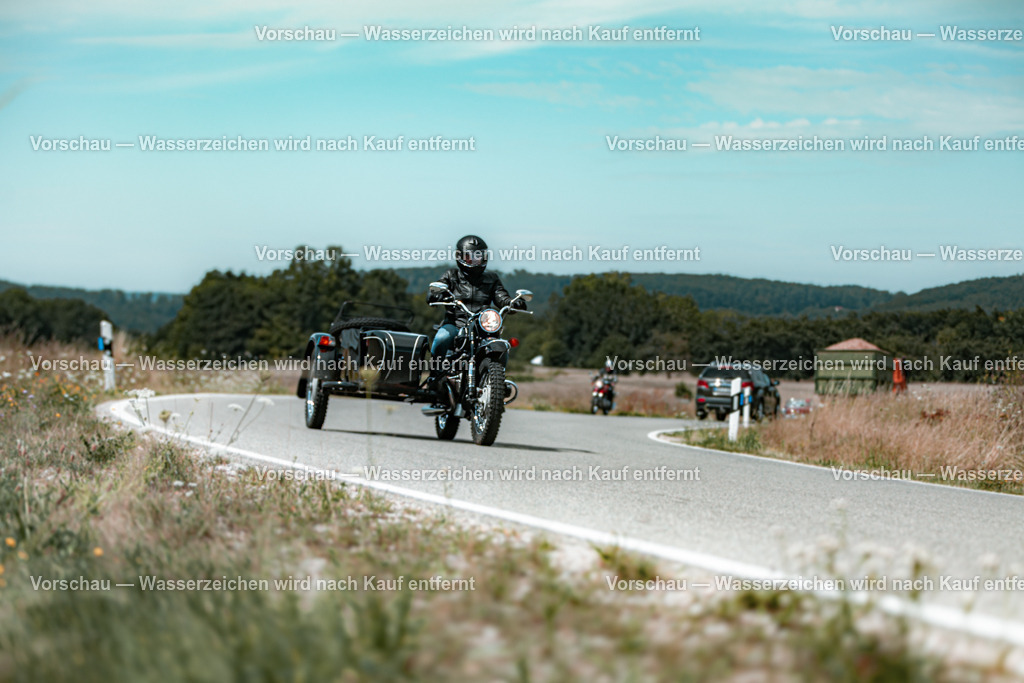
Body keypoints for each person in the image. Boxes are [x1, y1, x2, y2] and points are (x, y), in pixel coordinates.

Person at [426, 235, 526, 391]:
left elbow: (501, 297)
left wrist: (512, 303)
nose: (474, 260)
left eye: (478, 256)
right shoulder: (452, 275)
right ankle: (434, 375)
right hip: (456, 323)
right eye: (470, 256)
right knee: (442, 337)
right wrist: (436, 294)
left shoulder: (492, 279)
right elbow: (438, 289)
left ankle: (498, 383)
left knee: (502, 346)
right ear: (460, 257)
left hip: (483, 327)